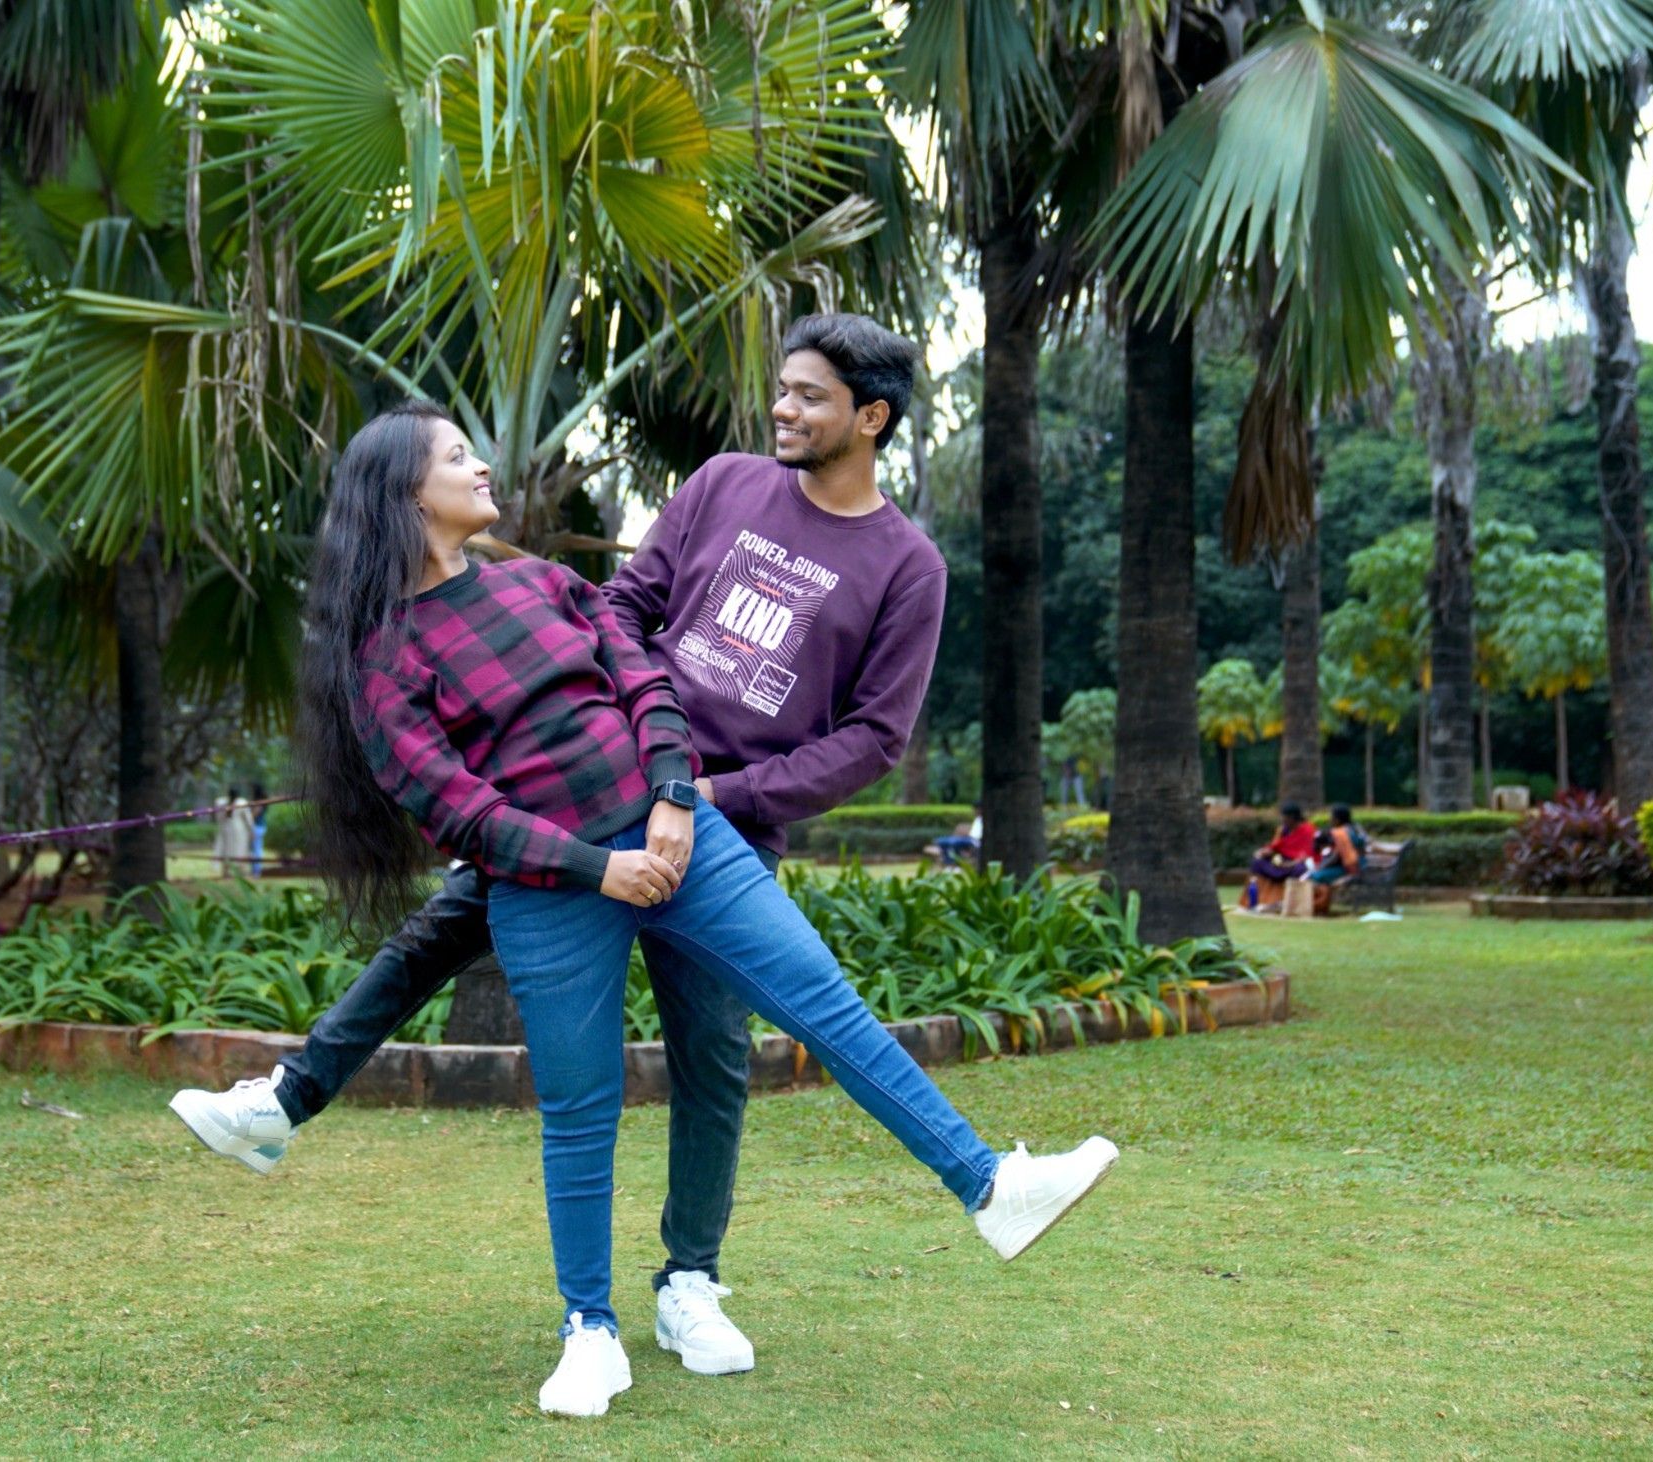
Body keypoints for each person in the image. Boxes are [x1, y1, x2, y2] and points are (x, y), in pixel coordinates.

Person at [175, 402, 1117, 1417]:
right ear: (409, 495)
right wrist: (596, 867)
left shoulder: (543, 579)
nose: (482, 465)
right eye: (458, 456)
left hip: (684, 839)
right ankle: (591, 1330)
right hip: (553, 892)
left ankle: (989, 1186)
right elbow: (453, 807)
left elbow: (641, 676)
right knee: (580, 1113)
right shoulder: (386, 658)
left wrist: (673, 795)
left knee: (825, 1006)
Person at [1237, 802, 1315, 913]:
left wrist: (1291, 863)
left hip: (1295, 863)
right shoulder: (1283, 830)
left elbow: (1307, 853)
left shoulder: (1308, 830)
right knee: (1258, 862)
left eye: (1285, 817)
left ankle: (1284, 902)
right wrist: (1263, 852)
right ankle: (1253, 901)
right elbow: (1275, 846)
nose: (1282, 820)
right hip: (1281, 861)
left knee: (1300, 869)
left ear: (1292, 817)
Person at [1305, 804, 1369, 915]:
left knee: (1315, 876)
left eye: (1332, 816)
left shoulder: (1340, 833)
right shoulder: (1355, 828)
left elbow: (1337, 856)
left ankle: (1318, 906)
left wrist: (1320, 867)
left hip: (1351, 868)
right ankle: (1321, 906)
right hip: (1360, 864)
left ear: (1337, 819)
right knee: (1319, 874)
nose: (1330, 819)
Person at [249, 781, 269, 877]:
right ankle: (255, 871)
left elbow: (254, 814)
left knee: (256, 850)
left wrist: (247, 816)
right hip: (259, 827)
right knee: (255, 849)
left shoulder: (260, 802)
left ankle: (256, 872)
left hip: (257, 827)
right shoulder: (262, 800)